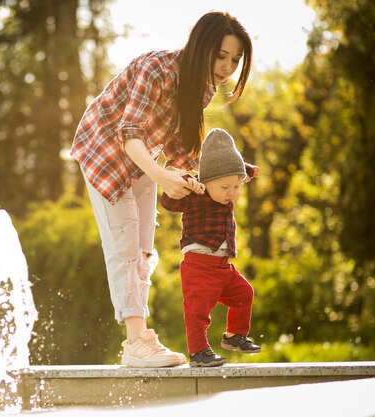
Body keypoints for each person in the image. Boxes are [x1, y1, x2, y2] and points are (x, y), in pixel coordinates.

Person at [70, 11, 253, 367]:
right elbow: (129, 133)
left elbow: (179, 144)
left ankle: (142, 337)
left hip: (143, 160)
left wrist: (206, 179)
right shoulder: (155, 69)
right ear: (202, 45)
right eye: (221, 55)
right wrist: (161, 176)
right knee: (123, 243)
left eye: (234, 59)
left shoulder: (204, 87)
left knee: (143, 248)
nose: (227, 66)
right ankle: (135, 341)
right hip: (105, 153)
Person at [161, 128, 261, 367]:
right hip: (199, 265)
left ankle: (234, 336)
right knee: (197, 311)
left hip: (223, 266)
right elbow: (167, 201)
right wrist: (185, 182)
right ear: (205, 181)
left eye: (236, 187)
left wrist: (246, 171)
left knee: (244, 293)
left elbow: (228, 168)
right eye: (225, 188)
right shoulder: (196, 194)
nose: (231, 193)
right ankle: (198, 352)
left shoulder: (224, 182)